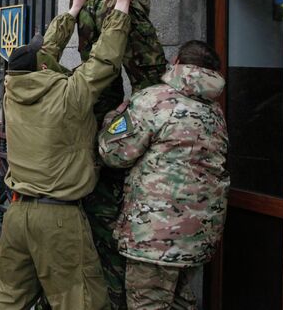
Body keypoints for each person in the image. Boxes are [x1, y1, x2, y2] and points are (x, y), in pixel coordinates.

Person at [0, 0, 135, 310]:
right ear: (42, 67)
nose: (49, 54)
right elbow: (105, 62)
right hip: (58, 219)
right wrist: (122, 5)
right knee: (79, 301)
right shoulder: (68, 95)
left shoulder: (12, 90)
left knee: (6, 299)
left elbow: (45, 53)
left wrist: (73, 10)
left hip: (17, 213)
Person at [60, 0, 168, 308]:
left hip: (85, 10)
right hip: (123, 4)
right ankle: (146, 147)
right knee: (150, 79)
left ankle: (106, 148)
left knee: (100, 83)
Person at [98, 41, 229, 309]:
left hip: (154, 236)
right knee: (180, 299)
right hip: (198, 234)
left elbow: (115, 155)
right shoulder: (214, 110)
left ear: (177, 60)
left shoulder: (152, 100)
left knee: (147, 303)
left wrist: (112, 120)